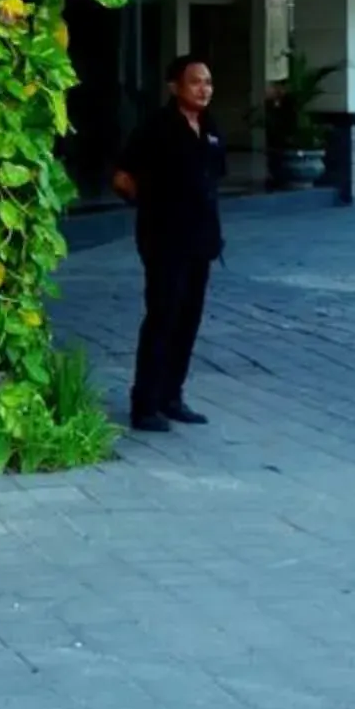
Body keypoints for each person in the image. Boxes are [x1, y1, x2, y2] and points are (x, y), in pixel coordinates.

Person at [111, 54, 227, 431]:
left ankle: (171, 396)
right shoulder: (156, 128)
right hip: (164, 241)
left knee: (188, 320)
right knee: (163, 316)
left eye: (208, 81)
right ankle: (144, 404)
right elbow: (122, 177)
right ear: (175, 86)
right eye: (195, 81)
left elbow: (213, 180)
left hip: (201, 241)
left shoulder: (211, 128)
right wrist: (153, 205)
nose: (204, 89)